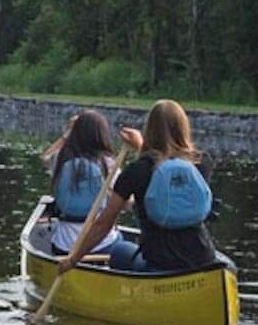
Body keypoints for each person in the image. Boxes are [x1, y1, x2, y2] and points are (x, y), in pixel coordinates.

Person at [57, 99, 217, 275]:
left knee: (119, 251)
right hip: (204, 258)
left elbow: (103, 224)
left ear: (149, 130)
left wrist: (73, 259)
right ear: (183, 127)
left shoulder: (136, 170)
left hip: (159, 265)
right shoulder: (202, 162)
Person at [48, 110, 123, 256]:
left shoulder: (60, 159)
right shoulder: (109, 164)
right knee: (122, 243)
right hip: (103, 246)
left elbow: (45, 157)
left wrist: (66, 134)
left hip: (63, 246)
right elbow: (125, 204)